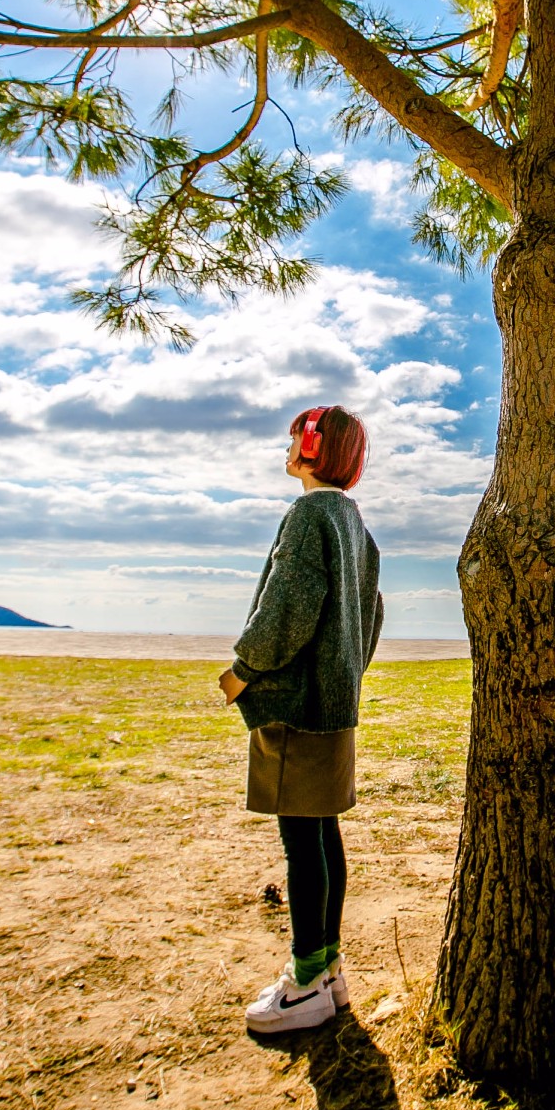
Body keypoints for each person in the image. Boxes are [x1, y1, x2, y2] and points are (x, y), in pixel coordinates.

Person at [219, 404, 383, 1033]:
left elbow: (287, 605)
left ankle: (306, 981)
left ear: (315, 446)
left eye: (294, 437)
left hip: (296, 708)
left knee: (301, 844)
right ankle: (330, 971)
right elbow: (374, 615)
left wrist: (243, 670)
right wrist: (348, 674)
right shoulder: (354, 525)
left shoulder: (310, 513)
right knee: (322, 835)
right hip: (336, 704)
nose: (286, 446)